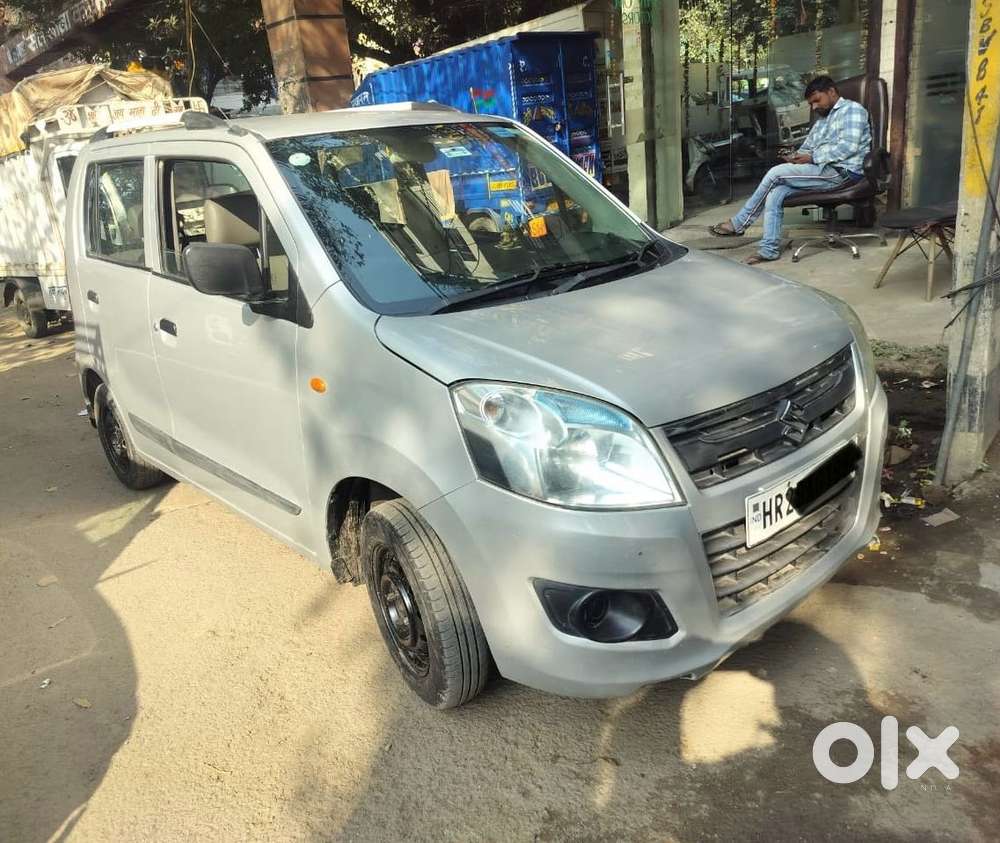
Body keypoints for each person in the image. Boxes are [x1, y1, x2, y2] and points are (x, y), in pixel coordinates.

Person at [710, 75, 872, 265]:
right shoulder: (821, 122)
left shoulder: (852, 110)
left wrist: (812, 158)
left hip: (843, 173)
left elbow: (848, 147)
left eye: (816, 101)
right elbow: (807, 148)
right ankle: (769, 250)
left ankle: (739, 224)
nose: (814, 107)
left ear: (831, 92)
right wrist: (795, 157)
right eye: (811, 103)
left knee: (775, 173)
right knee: (776, 193)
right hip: (821, 171)